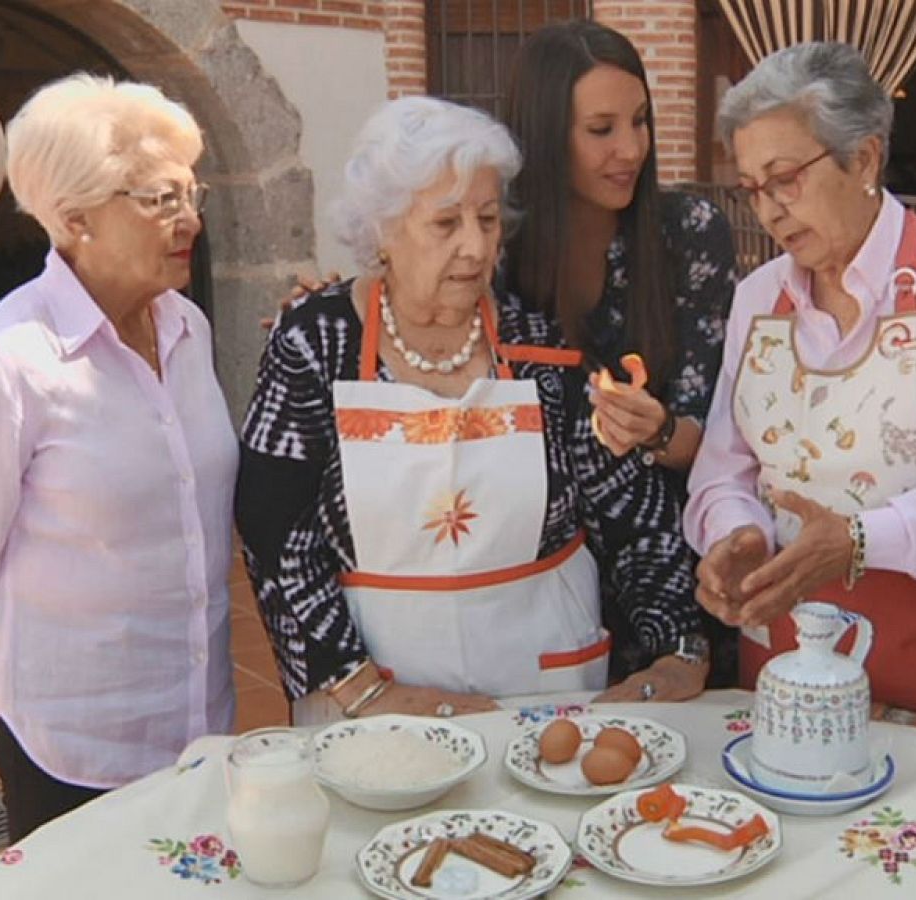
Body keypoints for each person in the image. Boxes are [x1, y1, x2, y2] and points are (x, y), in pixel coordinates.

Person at [235, 96, 707, 725]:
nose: (475, 247)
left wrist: (678, 644)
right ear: (382, 231)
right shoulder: (318, 343)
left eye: (487, 220)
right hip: (372, 706)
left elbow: (627, 502)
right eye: (445, 223)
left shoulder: (538, 347)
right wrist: (359, 687)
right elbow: (276, 533)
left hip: (543, 691)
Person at [0, 74, 235, 840]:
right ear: (75, 218)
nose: (191, 220)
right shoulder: (10, 364)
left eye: (190, 193)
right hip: (73, 744)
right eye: (160, 200)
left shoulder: (187, 328)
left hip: (198, 722)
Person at [685, 43, 916, 722]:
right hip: (787, 662)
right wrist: (740, 535)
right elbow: (721, 473)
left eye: (785, 177)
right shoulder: (759, 298)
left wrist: (860, 539)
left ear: (865, 158)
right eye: (753, 188)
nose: (769, 211)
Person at [501, 19, 738, 683]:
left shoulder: (689, 234)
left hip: (678, 584)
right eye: (601, 129)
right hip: (535, 585)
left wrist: (657, 431)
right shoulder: (496, 252)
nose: (631, 148)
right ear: (546, 135)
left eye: (640, 121)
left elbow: (717, 438)